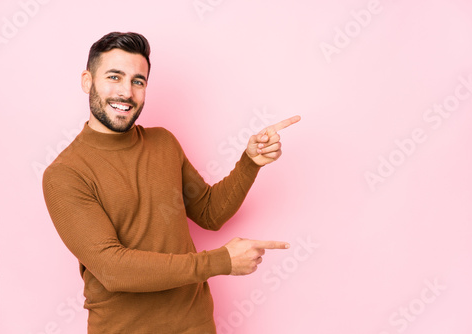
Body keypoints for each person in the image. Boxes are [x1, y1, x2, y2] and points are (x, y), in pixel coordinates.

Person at [42, 31, 301, 334]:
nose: (126, 92)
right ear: (88, 81)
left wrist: (249, 163)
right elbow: (113, 269)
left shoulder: (163, 142)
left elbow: (209, 213)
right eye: (114, 77)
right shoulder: (65, 174)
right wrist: (220, 262)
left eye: (138, 81)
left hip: (197, 325)